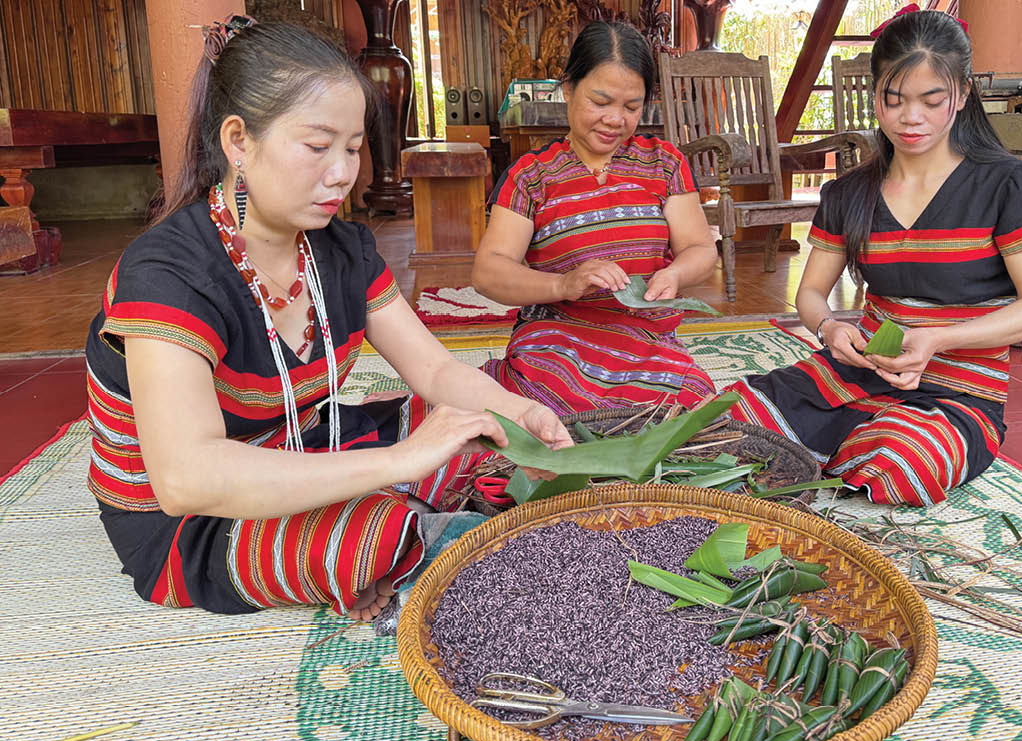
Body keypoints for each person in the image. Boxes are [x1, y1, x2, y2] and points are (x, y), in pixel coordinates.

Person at [84, 19, 571, 622]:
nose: (342, 173)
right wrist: (400, 462)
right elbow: (187, 477)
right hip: (189, 522)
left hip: (301, 444)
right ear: (238, 140)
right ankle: (404, 538)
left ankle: (418, 520)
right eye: (318, 146)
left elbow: (437, 369)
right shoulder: (167, 274)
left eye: (352, 147)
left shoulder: (341, 249)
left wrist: (518, 415)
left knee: (478, 424)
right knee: (381, 530)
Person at [724, 9, 1022, 507]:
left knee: (899, 464)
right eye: (894, 100)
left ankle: (827, 447)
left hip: (958, 390)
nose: (911, 118)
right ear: (876, 96)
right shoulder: (850, 193)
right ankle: (830, 441)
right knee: (733, 415)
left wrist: (938, 339)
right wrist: (830, 330)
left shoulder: (1010, 185)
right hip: (860, 369)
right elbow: (812, 294)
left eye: (932, 101)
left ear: (963, 94)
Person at [472, 21, 719, 415]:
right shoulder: (532, 175)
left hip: (648, 341)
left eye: (631, 107)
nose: (615, 119)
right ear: (568, 89)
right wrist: (564, 284)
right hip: (555, 344)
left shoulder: (665, 163)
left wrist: (675, 275)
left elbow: (699, 248)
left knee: (693, 413)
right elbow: (488, 273)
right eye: (600, 102)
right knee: (543, 406)